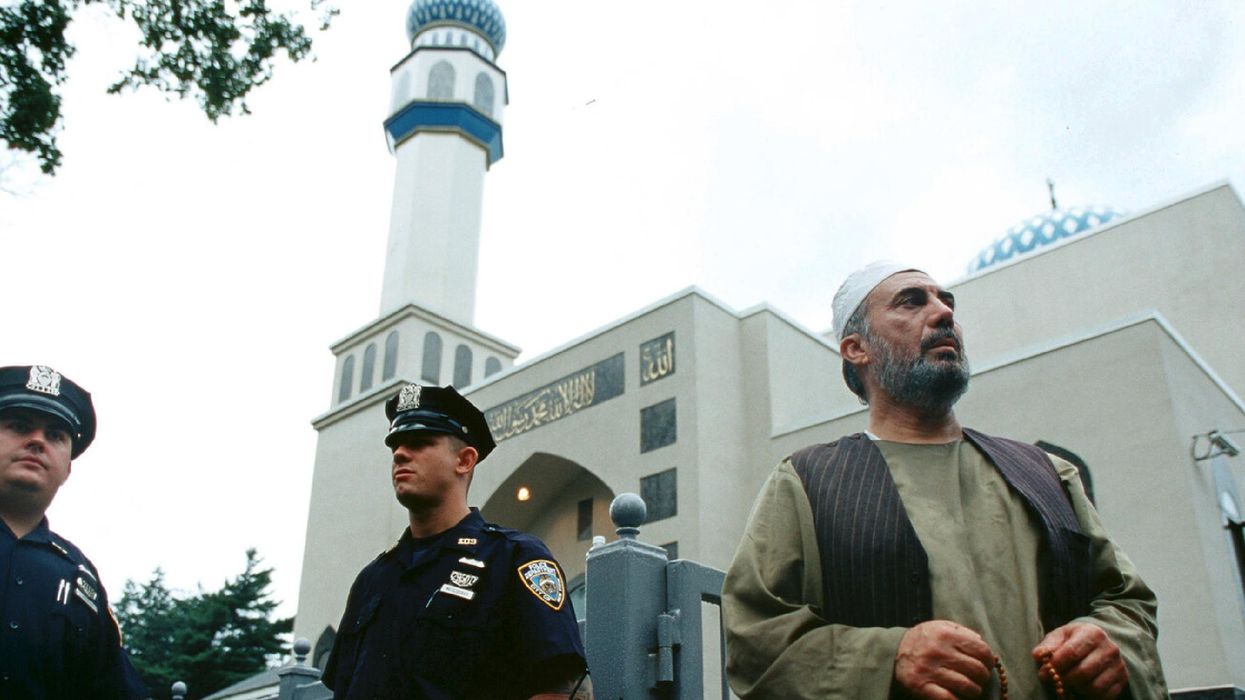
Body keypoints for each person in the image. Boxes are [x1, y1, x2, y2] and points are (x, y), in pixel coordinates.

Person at [722, 262, 1167, 699]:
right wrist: (888, 658)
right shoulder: (807, 482)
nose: (943, 312)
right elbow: (755, 639)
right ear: (857, 348)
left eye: (945, 300)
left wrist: (1109, 644)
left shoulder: (1047, 473)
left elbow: (1129, 604)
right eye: (912, 302)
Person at [323, 384, 590, 699]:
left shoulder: (512, 559)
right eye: (395, 445)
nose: (399, 454)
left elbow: (560, 688)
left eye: (419, 442)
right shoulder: (372, 581)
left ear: (464, 460)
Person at [0, 365, 146, 699]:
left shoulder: (79, 577)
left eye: (55, 435)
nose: (37, 440)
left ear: (67, 467)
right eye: (19, 426)